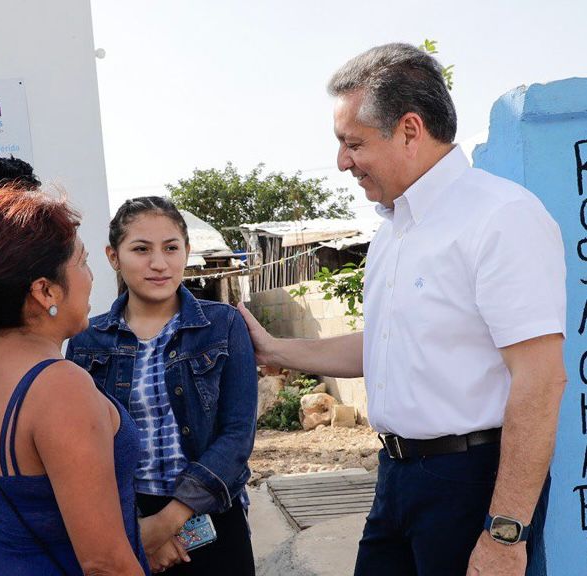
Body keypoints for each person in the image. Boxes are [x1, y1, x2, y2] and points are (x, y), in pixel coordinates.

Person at [237, 43, 566, 576]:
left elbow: (540, 381)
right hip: (395, 477)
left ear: (409, 130)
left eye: (353, 144)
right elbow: (386, 346)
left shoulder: (502, 217)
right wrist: (276, 348)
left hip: (472, 483)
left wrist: (506, 533)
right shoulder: (393, 231)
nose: (343, 161)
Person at [0, 176, 150, 575]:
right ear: (45, 291)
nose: (91, 277)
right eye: (82, 262)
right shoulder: (60, 386)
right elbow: (105, 564)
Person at [66, 196, 258, 575]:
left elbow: (237, 434)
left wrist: (168, 521)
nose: (159, 263)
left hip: (213, 513)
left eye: (171, 248)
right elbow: (84, 448)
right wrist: (137, 530)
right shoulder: (87, 341)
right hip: (127, 522)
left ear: (186, 251)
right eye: (141, 249)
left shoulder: (222, 326)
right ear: (113, 257)